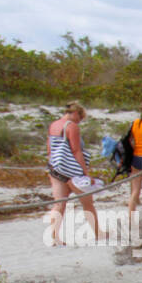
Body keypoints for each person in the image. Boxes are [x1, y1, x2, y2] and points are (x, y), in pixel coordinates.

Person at [46, 103, 98, 246]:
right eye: (80, 117)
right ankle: (98, 232)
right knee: (87, 201)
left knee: (59, 203)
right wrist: (85, 173)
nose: (79, 121)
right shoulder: (71, 126)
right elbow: (76, 151)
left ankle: (54, 236)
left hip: (56, 168)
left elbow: (49, 149)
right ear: (75, 113)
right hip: (71, 171)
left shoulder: (54, 125)